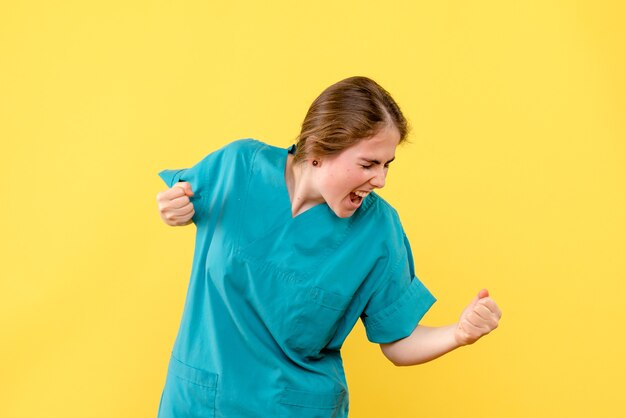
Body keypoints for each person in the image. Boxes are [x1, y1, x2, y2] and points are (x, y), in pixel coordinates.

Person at [155, 76, 502, 417]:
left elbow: (398, 341)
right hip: (199, 401)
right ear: (319, 150)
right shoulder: (237, 166)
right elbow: (180, 200)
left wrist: (459, 333)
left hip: (292, 408)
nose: (380, 180)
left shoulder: (378, 231)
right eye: (368, 164)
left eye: (386, 165)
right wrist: (172, 209)